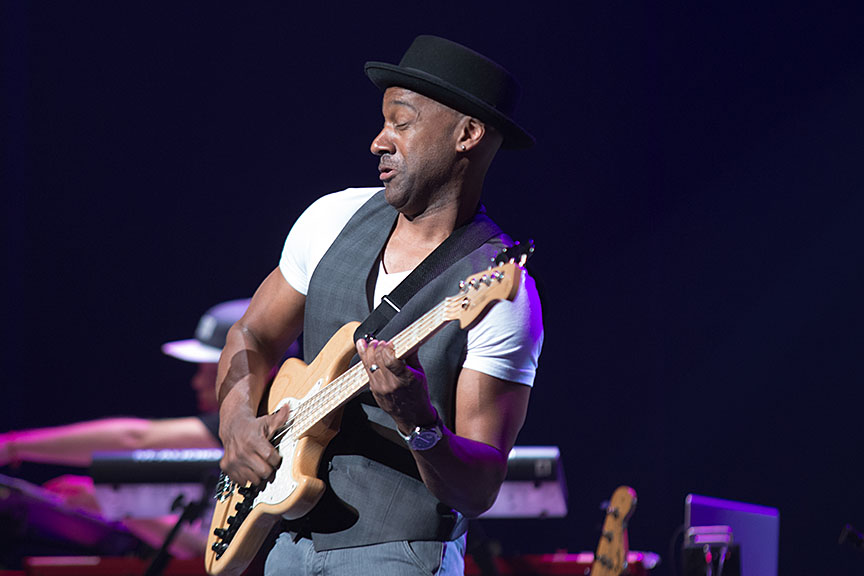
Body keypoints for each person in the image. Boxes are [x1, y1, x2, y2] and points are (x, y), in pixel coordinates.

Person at [217, 35, 544, 576]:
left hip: (401, 555)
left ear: (467, 134)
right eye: (382, 121)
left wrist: (421, 425)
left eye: (402, 122)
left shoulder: (500, 291)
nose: (378, 141)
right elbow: (251, 336)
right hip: (287, 540)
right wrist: (236, 424)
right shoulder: (331, 218)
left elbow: (480, 487)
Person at [0, 299, 252, 469]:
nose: (196, 383)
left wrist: (13, 445)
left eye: (210, 371)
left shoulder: (249, 419)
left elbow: (133, 438)